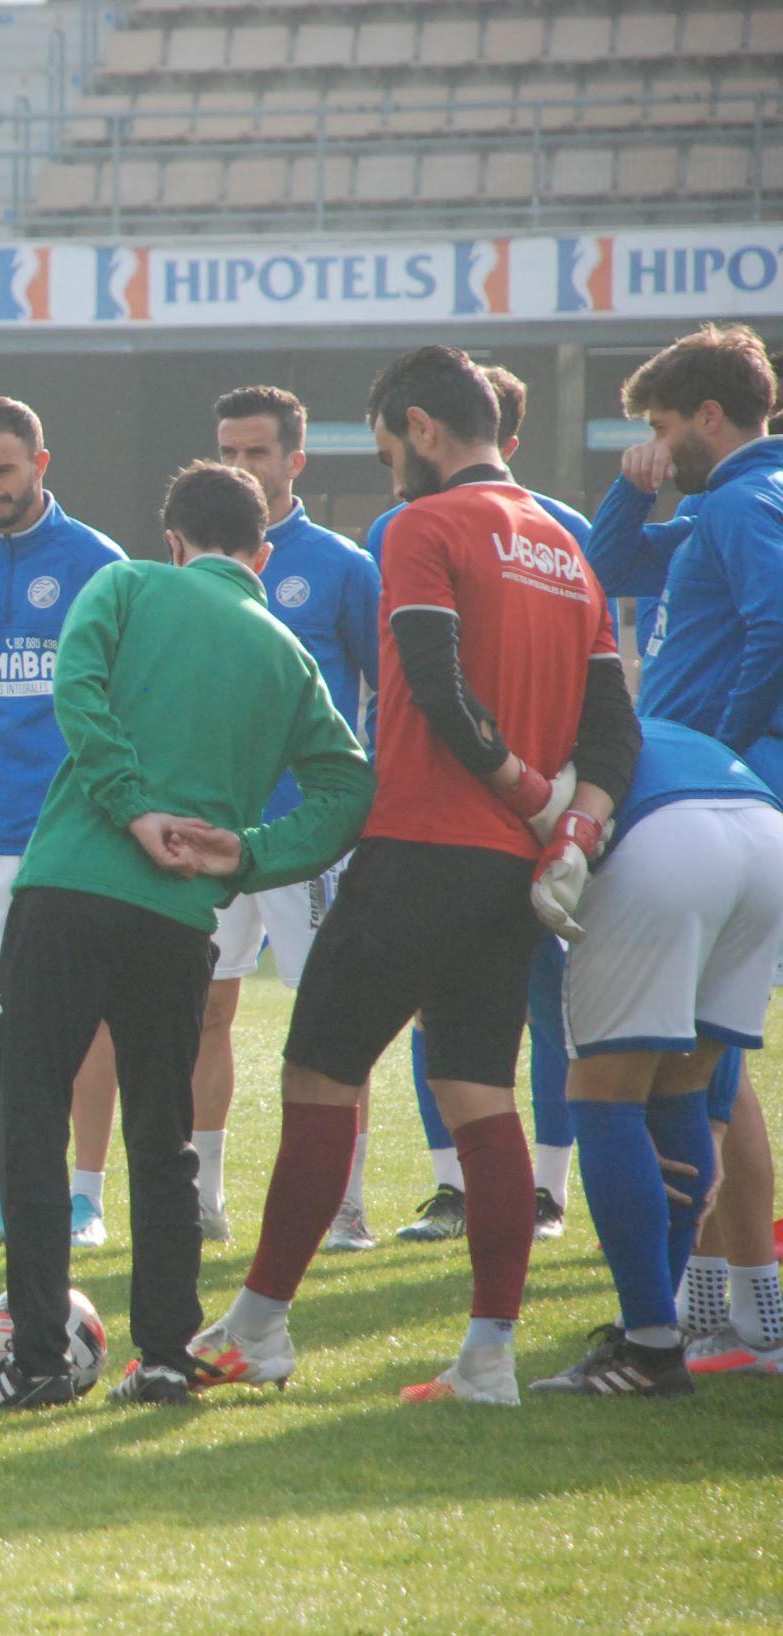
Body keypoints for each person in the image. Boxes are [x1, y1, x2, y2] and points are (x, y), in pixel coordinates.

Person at [194, 345, 639, 1407]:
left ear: (422, 431)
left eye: (388, 443)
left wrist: (532, 796)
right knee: (480, 1095)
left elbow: (433, 691)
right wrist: (569, 830)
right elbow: (613, 733)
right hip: (508, 881)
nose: (387, 465)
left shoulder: (421, 528)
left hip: (419, 845)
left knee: (317, 1075)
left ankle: (257, 1324)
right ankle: (487, 1357)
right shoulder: (565, 551)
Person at [0, 462, 370, 1411]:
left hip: (67, 887)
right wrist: (250, 855)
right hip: (182, 917)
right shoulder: (286, 653)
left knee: (30, 1120)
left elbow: (77, 688)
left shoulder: (127, 583)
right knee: (162, 1136)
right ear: (261, 554)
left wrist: (131, 806)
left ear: (173, 540)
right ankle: (164, 1360)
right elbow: (350, 790)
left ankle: (34, 1366)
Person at [373, 366, 590, 1245]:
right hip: (529, 811)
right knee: (470, 1012)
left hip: (476, 813)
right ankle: (465, 1190)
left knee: (539, 1009)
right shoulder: (556, 535)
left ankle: (541, 1188)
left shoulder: (432, 524)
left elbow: (432, 677)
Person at [612, 322, 783, 1372]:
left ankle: (733, 1307)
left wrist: (713, 750)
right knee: (710, 1062)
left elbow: (775, 622)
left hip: (718, 806)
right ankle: (727, 1302)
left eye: (661, 429)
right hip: (732, 807)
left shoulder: (735, 499)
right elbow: (613, 562)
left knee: (703, 1065)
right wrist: (633, 491)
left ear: (707, 420)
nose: (656, 444)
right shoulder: (726, 502)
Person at [0, 396, 126, 1249]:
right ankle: (7, 1194)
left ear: (42, 463)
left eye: (2, 470)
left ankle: (83, 1197)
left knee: (90, 1013)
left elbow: (121, 694)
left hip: (79, 828)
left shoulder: (98, 565)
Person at [532, 719, 783, 1396]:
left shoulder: (525, 732)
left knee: (603, 1097)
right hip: (766, 833)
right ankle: (675, 1330)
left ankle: (647, 1344)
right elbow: (712, 1037)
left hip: (662, 842)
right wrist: (717, 1113)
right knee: (684, 1091)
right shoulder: (651, 723)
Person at [193, 387, 380, 1249]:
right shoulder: (188, 569)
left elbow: (384, 692)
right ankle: (202, 1196)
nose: (240, 467)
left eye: (256, 452)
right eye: (227, 450)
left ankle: (343, 1202)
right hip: (210, 829)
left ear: (295, 461)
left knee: (331, 1020)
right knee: (205, 1014)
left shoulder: (341, 565)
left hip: (308, 837)